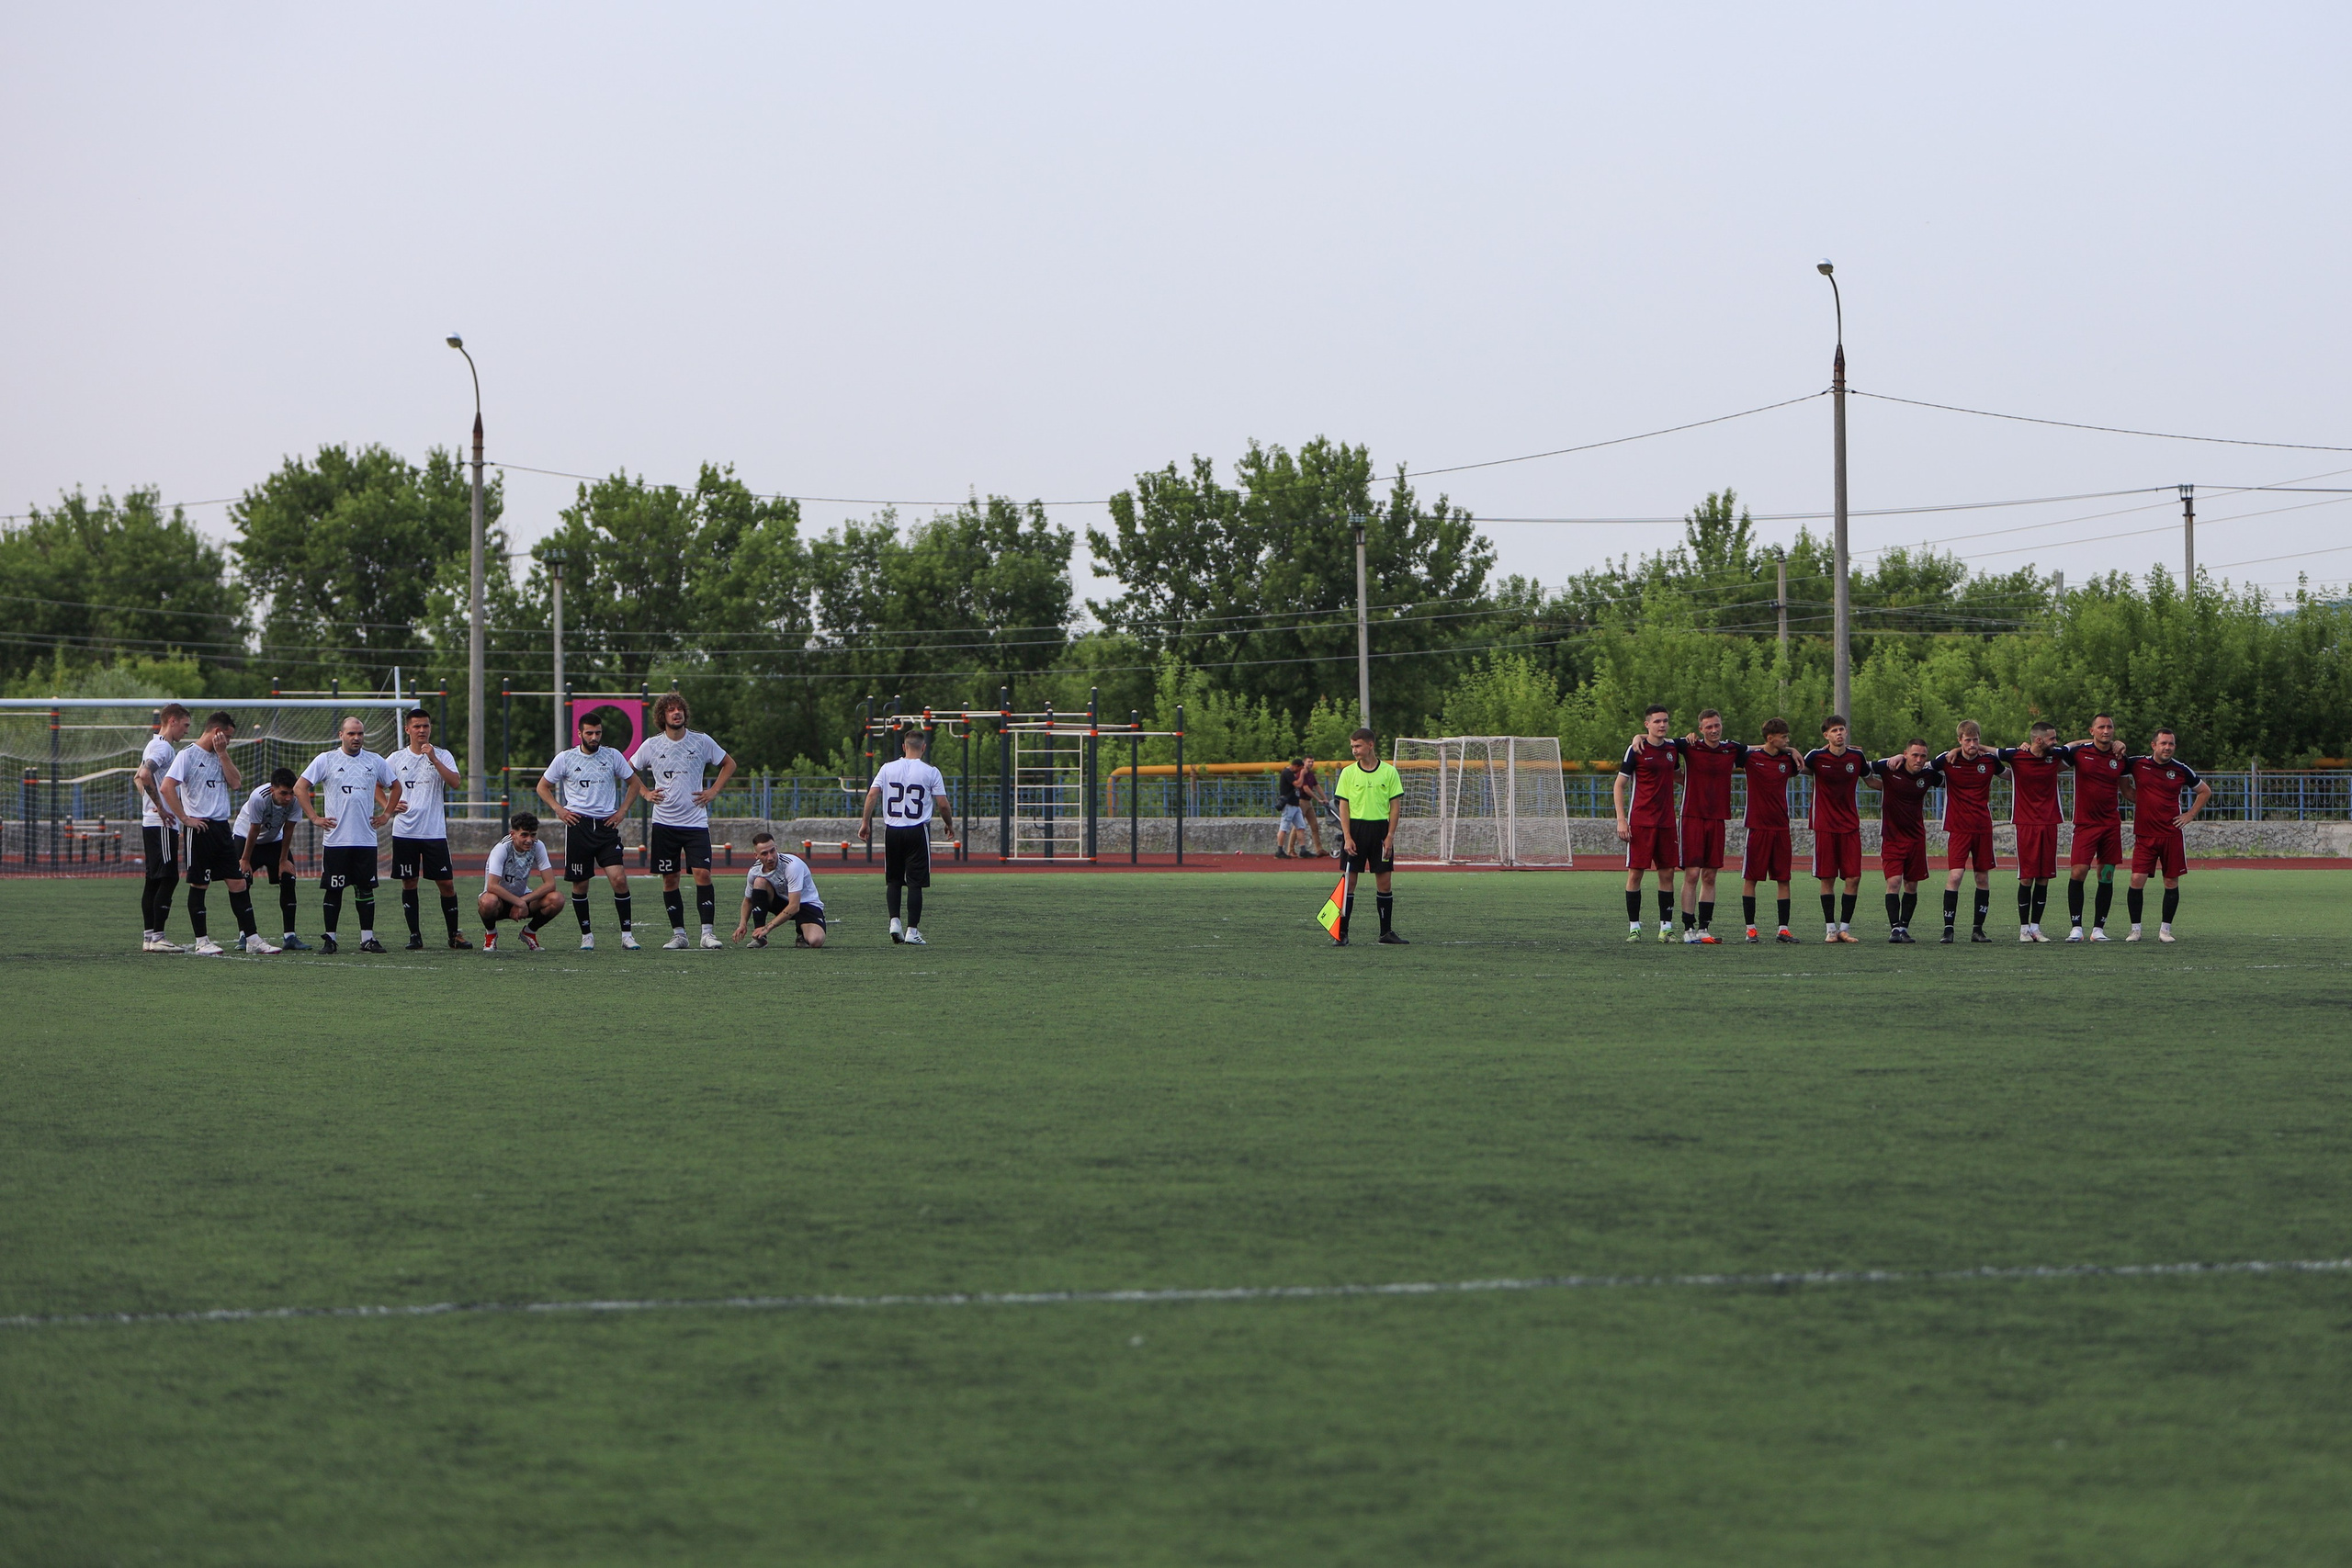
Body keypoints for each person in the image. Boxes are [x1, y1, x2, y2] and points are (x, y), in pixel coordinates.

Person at [630, 691, 738, 950]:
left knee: (702, 873)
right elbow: (628, 769)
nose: (676, 713)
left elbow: (729, 764)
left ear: (685, 714)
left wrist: (713, 791)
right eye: (670, 709)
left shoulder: (701, 741)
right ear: (662, 716)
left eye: (679, 709)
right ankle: (679, 935)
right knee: (670, 879)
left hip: (695, 822)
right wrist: (644, 791)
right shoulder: (652, 745)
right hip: (664, 823)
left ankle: (707, 934)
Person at [161, 711, 274, 955]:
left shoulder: (221, 756)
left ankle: (253, 939)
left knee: (238, 883)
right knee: (199, 885)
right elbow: (166, 786)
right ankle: (202, 941)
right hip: (199, 829)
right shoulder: (187, 755)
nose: (229, 741)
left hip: (223, 828)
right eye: (228, 737)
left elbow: (236, 783)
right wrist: (184, 818)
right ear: (217, 732)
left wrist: (223, 754)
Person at [296, 716, 402, 954]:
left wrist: (386, 815)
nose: (357, 738)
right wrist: (314, 817)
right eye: (352, 733)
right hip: (336, 840)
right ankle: (330, 939)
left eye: (360, 734)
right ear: (341, 735)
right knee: (334, 889)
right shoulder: (327, 759)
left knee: (365, 889)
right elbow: (299, 787)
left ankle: (367, 938)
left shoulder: (374, 761)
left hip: (365, 839)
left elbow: (396, 786)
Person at [537, 714, 642, 951]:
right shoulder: (565, 758)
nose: (594, 737)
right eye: (589, 733)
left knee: (619, 878)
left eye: (598, 733)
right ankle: (587, 935)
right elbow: (542, 786)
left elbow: (634, 783)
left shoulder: (613, 755)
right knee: (580, 885)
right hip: (578, 827)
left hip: (606, 826)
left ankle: (627, 935)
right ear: (580, 734)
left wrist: (623, 810)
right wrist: (559, 810)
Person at [861, 728, 955, 945]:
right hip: (916, 829)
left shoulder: (887, 768)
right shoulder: (931, 771)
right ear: (923, 747)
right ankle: (912, 930)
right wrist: (949, 824)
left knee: (893, 880)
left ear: (904, 747)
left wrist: (865, 822)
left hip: (892, 830)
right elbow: (942, 803)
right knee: (915, 882)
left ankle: (894, 922)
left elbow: (872, 795)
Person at [389, 709, 470, 951]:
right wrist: (388, 805)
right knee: (409, 882)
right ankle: (415, 935)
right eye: (417, 727)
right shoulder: (395, 758)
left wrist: (434, 759)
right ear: (408, 730)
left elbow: (455, 782)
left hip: (434, 832)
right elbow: (376, 782)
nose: (422, 730)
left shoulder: (442, 755)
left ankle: (454, 935)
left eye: (425, 726)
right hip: (405, 832)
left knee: (446, 883)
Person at [2124, 728, 2211, 942]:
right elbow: (2116, 768)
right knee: (2137, 879)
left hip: (2172, 834)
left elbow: (2205, 791)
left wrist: (2190, 814)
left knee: (2171, 882)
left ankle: (2165, 930)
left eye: (2171, 744)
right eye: (2163, 743)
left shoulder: (2181, 769)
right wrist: (2129, 793)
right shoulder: (2137, 763)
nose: (2167, 747)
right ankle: (2135, 929)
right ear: (2153, 745)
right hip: (2145, 835)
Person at [1996, 721, 2073, 942]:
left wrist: (2116, 742)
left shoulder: (2055, 757)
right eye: (2052, 738)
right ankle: (2023, 929)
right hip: (2026, 824)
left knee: (2044, 877)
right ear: (2038, 739)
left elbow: (2076, 746)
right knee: (2027, 877)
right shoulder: (2016, 756)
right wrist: (1955, 750)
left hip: (2050, 823)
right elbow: (1984, 749)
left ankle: (2036, 928)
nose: (2055, 742)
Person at [1614, 705, 1682, 942]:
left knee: (1667, 873)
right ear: (1647, 724)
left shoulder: (1673, 748)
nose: (1662, 725)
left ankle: (1666, 928)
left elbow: (1677, 774)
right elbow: (1619, 785)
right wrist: (1622, 820)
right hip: (1641, 821)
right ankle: (1634, 927)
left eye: (1665, 721)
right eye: (1657, 721)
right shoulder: (1636, 749)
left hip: (1666, 822)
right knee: (1635, 873)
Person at [2061, 713, 2130, 942]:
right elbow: (2063, 749)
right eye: (2101, 727)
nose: (2106, 731)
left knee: (2106, 875)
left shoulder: (2120, 757)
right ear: (2092, 730)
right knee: (2078, 872)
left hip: (2110, 824)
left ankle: (2098, 929)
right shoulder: (2080, 753)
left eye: (2110, 727)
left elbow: (2128, 791)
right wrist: (2084, 741)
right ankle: (2076, 927)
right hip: (2085, 824)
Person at [1935, 720, 2005, 943]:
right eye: (1967, 740)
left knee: (1982, 878)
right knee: (1955, 876)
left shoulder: (1990, 761)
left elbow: (2013, 774)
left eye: (1975, 740)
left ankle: (1978, 930)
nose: (1972, 744)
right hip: (1958, 828)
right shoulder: (1948, 760)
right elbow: (1920, 765)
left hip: (1982, 827)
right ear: (1959, 741)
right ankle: (1948, 929)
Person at [1335, 727, 1406, 944]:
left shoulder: (1389, 772)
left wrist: (1390, 835)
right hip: (1355, 832)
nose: (1354, 750)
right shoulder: (1348, 773)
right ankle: (1342, 933)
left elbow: (1395, 806)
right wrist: (1346, 836)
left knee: (1384, 883)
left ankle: (1386, 933)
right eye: (1352, 746)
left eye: (1358, 746)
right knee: (1349, 883)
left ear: (1370, 745)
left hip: (1380, 832)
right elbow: (1343, 807)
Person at [1673, 709, 1737, 944]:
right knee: (1692, 874)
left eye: (1717, 725)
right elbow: (1657, 740)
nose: (1714, 730)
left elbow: (1760, 748)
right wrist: (1638, 738)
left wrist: (1790, 749)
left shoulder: (1730, 749)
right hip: (1692, 816)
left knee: (1710, 876)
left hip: (1717, 818)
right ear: (1700, 729)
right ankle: (1688, 928)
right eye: (1708, 727)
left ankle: (1704, 929)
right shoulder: (1688, 746)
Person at [1735, 718, 1802, 944]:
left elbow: (1800, 766)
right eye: (1783, 737)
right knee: (1751, 878)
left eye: (1787, 737)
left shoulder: (1787, 760)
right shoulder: (1751, 758)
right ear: (1770, 738)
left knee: (1783, 879)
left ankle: (1783, 929)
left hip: (1781, 826)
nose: (1788, 740)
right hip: (1757, 827)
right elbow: (1739, 750)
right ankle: (1750, 929)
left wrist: (1790, 749)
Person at [1803, 715, 1869, 942]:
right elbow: (1793, 767)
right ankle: (1830, 929)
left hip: (1850, 826)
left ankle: (1844, 928)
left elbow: (1872, 779)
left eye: (1842, 729)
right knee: (1827, 878)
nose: (1839, 733)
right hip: (1825, 826)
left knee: (1853, 878)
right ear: (1826, 735)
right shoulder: (1815, 756)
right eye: (1834, 731)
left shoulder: (1857, 756)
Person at [1867, 739, 1939, 943]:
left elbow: (1952, 777)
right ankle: (1894, 928)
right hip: (1892, 837)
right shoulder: (1890, 767)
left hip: (1916, 838)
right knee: (1894, 882)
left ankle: (1904, 928)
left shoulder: (1928, 775)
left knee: (1912, 885)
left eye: (1923, 756)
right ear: (1905, 754)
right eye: (1914, 755)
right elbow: (1864, 768)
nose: (1918, 759)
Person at [233, 767, 311, 951]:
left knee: (288, 878)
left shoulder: (295, 799)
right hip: (246, 839)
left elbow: (289, 829)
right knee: (242, 882)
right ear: (272, 789)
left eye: (291, 793)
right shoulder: (259, 797)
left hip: (274, 840)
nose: (288, 798)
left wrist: (283, 860)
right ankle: (245, 934)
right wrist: (245, 859)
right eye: (283, 793)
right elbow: (253, 830)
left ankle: (289, 936)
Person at [134, 702, 190, 952]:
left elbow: (138, 777)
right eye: (186, 725)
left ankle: (149, 938)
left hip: (152, 821)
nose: (187, 731)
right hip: (161, 823)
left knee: (154, 880)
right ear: (172, 721)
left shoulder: (153, 743)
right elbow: (145, 775)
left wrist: (150, 803)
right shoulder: (164, 748)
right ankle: (158, 937)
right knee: (169, 876)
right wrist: (160, 806)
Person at [479, 812, 564, 952]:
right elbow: (492, 886)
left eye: (533, 835)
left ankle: (529, 932)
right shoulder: (501, 848)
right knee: (488, 901)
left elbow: (550, 884)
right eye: (524, 835)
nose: (529, 840)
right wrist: (519, 903)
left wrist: (523, 900)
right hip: (499, 901)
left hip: (522, 898)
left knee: (557, 899)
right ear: (513, 834)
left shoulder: (538, 846)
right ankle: (491, 934)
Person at [734, 830, 827, 948]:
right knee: (759, 882)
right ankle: (760, 938)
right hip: (782, 902)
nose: (770, 857)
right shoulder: (754, 871)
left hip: (805, 904)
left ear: (776, 848)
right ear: (756, 856)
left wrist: (768, 927)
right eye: (764, 853)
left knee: (815, 941)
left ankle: (802, 932)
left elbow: (794, 906)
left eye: (772, 851)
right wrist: (742, 924)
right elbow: (748, 901)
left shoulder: (792, 866)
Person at [1294, 756, 1329, 857]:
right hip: (1301, 801)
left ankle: (1319, 849)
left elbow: (1317, 786)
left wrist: (1325, 798)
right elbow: (1306, 789)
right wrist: (1318, 799)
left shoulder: (1310, 775)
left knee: (1314, 826)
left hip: (1308, 802)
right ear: (1304, 762)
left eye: (1312, 762)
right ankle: (1290, 849)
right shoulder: (1301, 773)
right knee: (1297, 826)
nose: (1311, 764)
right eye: (1309, 762)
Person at [1273, 760, 1306, 858]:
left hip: (1295, 805)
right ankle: (1279, 850)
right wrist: (1302, 774)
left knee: (1301, 826)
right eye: (1299, 769)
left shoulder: (1291, 773)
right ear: (1296, 766)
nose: (1299, 771)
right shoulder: (1287, 772)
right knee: (1284, 827)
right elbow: (1298, 784)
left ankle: (1303, 849)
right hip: (1288, 805)